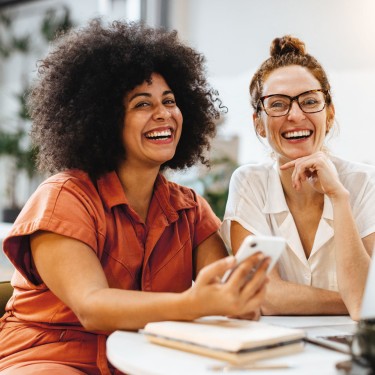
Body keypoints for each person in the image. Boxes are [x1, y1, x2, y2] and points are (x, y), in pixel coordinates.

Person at [0, 20, 270, 375]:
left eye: (170, 101)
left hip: (149, 357)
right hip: (51, 356)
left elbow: (220, 294)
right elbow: (92, 307)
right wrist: (193, 303)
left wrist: (237, 299)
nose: (163, 113)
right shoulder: (64, 197)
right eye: (142, 104)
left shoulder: (189, 209)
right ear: (106, 120)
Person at [221, 35, 375, 321]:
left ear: (329, 115)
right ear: (259, 124)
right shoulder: (249, 184)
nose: (295, 115)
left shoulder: (365, 183)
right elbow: (264, 294)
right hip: (276, 353)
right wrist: (357, 298)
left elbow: (365, 308)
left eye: (309, 101)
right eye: (278, 104)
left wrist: (339, 198)